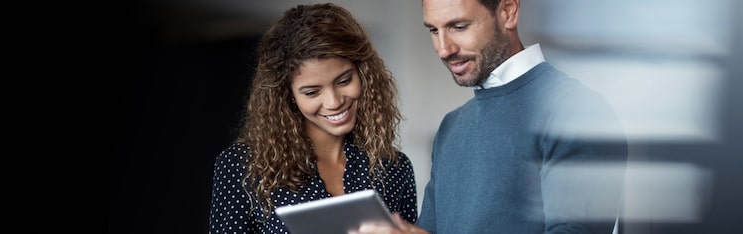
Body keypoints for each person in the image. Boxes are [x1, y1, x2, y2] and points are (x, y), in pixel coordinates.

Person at [358, 0, 628, 233]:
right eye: (433, 30)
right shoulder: (451, 127)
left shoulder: (578, 111)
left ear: (508, 11)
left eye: (459, 27)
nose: (443, 48)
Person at [208, 3, 419, 234]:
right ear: (287, 96)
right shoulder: (241, 167)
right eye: (312, 92)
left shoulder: (394, 167)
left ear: (364, 73)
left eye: (344, 81)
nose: (334, 101)